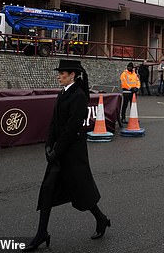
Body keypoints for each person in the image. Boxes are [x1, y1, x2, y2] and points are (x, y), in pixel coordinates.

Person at [23, 59, 110, 252]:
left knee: (81, 191)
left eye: (62, 73)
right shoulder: (62, 93)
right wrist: (48, 145)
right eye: (59, 72)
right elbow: (54, 122)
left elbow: (72, 128)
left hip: (72, 153)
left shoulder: (78, 96)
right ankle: (42, 233)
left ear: (72, 75)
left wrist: (56, 150)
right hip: (59, 150)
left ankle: (101, 219)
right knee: (47, 190)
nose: (58, 76)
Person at [119, 62, 140, 126]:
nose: (130, 68)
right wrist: (131, 88)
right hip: (127, 92)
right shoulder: (124, 74)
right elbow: (124, 82)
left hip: (134, 92)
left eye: (131, 67)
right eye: (129, 67)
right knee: (125, 105)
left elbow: (138, 81)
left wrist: (137, 88)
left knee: (133, 106)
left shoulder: (134, 74)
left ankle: (134, 117)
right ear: (127, 67)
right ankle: (123, 118)